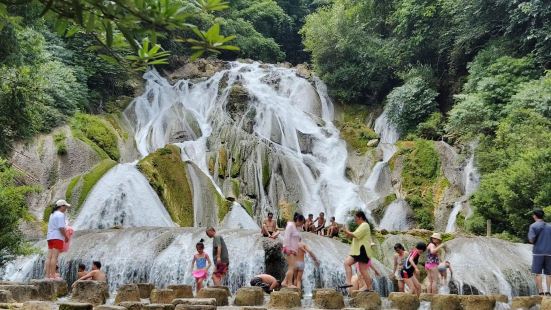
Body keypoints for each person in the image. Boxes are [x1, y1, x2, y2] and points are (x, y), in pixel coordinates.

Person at [342, 211, 375, 292]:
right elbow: (352, 235)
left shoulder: (365, 225)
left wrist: (347, 231)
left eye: (355, 218)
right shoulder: (361, 226)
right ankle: (348, 282)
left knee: (362, 270)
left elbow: (355, 234)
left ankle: (369, 287)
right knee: (347, 263)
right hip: (357, 251)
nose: (355, 220)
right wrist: (346, 232)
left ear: (360, 217)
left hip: (362, 250)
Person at [45, 199, 71, 279]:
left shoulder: (52, 214)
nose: (66, 209)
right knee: (54, 257)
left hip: (50, 237)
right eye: (65, 207)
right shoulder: (60, 215)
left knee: (49, 256)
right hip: (57, 237)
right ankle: (53, 276)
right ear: (61, 206)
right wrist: (66, 237)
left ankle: (47, 275)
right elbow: (61, 228)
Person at [528, 209, 551, 296]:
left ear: (534, 216)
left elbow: (531, 239)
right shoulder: (549, 226)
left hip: (538, 252)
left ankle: (541, 292)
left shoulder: (533, 226)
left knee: (538, 273)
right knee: (549, 274)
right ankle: (548, 292)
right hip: (549, 252)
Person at [281, 214, 305, 288]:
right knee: (291, 267)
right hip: (289, 250)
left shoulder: (295, 227)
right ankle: (289, 284)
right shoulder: (290, 225)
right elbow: (286, 237)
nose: (302, 224)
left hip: (294, 251)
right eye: (302, 222)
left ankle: (284, 282)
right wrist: (286, 248)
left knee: (292, 267)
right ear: (298, 220)